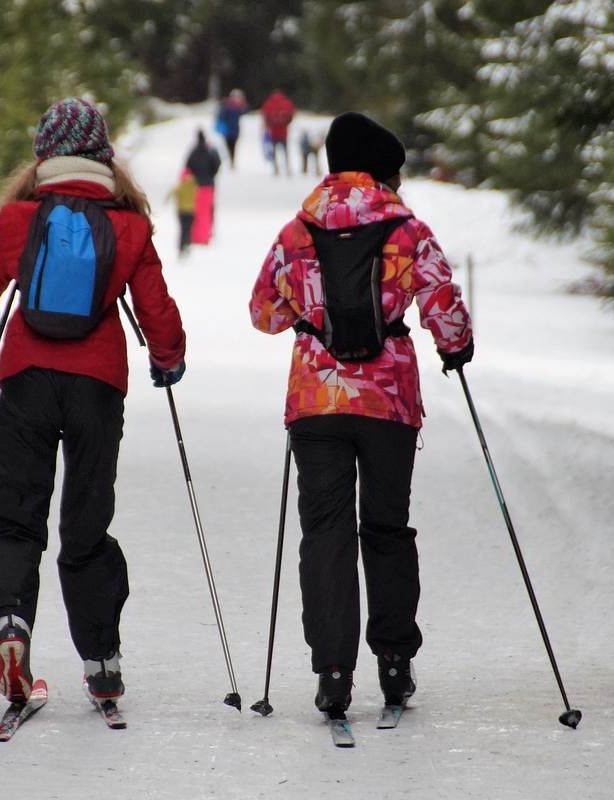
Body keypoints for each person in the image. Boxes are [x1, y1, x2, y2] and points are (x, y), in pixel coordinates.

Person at [0, 97, 187, 712]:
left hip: (27, 380)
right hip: (98, 387)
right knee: (85, 525)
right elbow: (159, 315)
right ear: (102, 153)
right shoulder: (129, 224)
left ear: (44, 152)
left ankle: (12, 627)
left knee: (17, 518)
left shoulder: (22, 218)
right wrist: (167, 360)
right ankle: (101, 660)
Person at [247, 112, 473, 720]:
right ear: (382, 172)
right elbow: (443, 302)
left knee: (325, 532)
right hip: (387, 400)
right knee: (387, 527)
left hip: (316, 401)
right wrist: (456, 347)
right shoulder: (407, 227)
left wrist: (306, 315)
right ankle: (395, 663)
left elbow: (262, 313)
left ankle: (333, 672)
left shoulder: (298, 231)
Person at [184, 130, 221, 245]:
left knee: (197, 212)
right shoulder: (211, 150)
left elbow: (188, 166)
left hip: (196, 186)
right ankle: (206, 236)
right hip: (209, 185)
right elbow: (217, 164)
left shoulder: (193, 151)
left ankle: (196, 237)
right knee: (208, 211)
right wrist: (211, 175)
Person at [260, 89, 296, 176]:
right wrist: (287, 123)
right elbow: (292, 113)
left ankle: (276, 169)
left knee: (274, 151)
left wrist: (268, 125)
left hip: (273, 131)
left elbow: (264, 115)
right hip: (284, 131)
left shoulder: (268, 103)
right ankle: (287, 168)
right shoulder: (286, 102)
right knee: (285, 151)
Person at [214, 89, 248, 168]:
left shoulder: (234, 106)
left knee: (231, 146)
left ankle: (231, 160)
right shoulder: (228, 106)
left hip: (233, 130)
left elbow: (245, 111)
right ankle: (231, 160)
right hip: (229, 130)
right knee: (230, 146)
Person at [167, 167, 197, 255]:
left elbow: (171, 193)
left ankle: (181, 247)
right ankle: (187, 244)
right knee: (188, 229)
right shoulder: (193, 186)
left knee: (183, 229)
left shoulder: (181, 185)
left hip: (181, 212)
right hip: (190, 211)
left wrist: (166, 201)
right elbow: (198, 196)